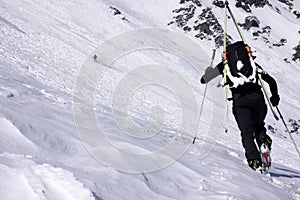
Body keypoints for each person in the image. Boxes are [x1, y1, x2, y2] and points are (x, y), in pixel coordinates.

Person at [200, 41, 280, 170]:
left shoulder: (225, 66)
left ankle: (254, 162)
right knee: (259, 125)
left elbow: (204, 80)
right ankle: (263, 140)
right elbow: (271, 81)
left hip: (240, 102)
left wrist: (208, 71)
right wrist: (275, 97)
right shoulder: (252, 64)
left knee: (247, 133)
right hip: (258, 99)